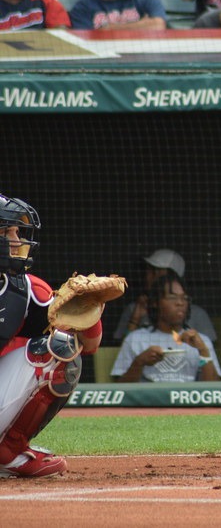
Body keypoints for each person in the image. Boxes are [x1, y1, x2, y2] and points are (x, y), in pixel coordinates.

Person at [0, 193, 103, 477]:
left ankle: (9, 454)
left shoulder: (24, 289)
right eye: (7, 232)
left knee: (59, 349)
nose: (17, 240)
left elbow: (90, 345)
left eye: (17, 231)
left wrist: (86, 309)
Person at [112, 271, 221, 382]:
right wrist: (139, 362)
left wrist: (203, 351)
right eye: (172, 297)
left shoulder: (201, 341)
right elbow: (120, 388)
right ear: (155, 302)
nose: (180, 303)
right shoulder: (136, 339)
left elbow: (215, 389)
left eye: (184, 298)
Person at [111, 248, 218, 343]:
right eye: (150, 271)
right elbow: (122, 351)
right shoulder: (134, 309)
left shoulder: (198, 314)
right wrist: (135, 319)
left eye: (156, 272)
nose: (150, 277)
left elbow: (208, 351)